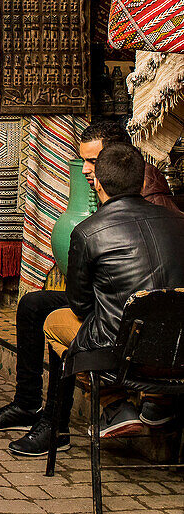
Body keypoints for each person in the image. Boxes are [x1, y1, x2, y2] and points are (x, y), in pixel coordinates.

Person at [0, 122, 182, 455]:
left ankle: (64, 422)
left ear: (118, 161)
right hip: (134, 317)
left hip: (140, 328)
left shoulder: (151, 202)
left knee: (61, 322)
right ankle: (29, 405)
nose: (87, 171)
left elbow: (94, 301)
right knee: (33, 304)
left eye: (94, 163)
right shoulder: (142, 201)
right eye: (84, 162)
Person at [39, 144, 184, 447]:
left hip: (122, 354)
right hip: (177, 351)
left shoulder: (88, 231)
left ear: (99, 185)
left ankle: (114, 403)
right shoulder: (180, 221)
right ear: (142, 182)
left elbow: (80, 304)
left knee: (53, 322)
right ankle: (158, 401)